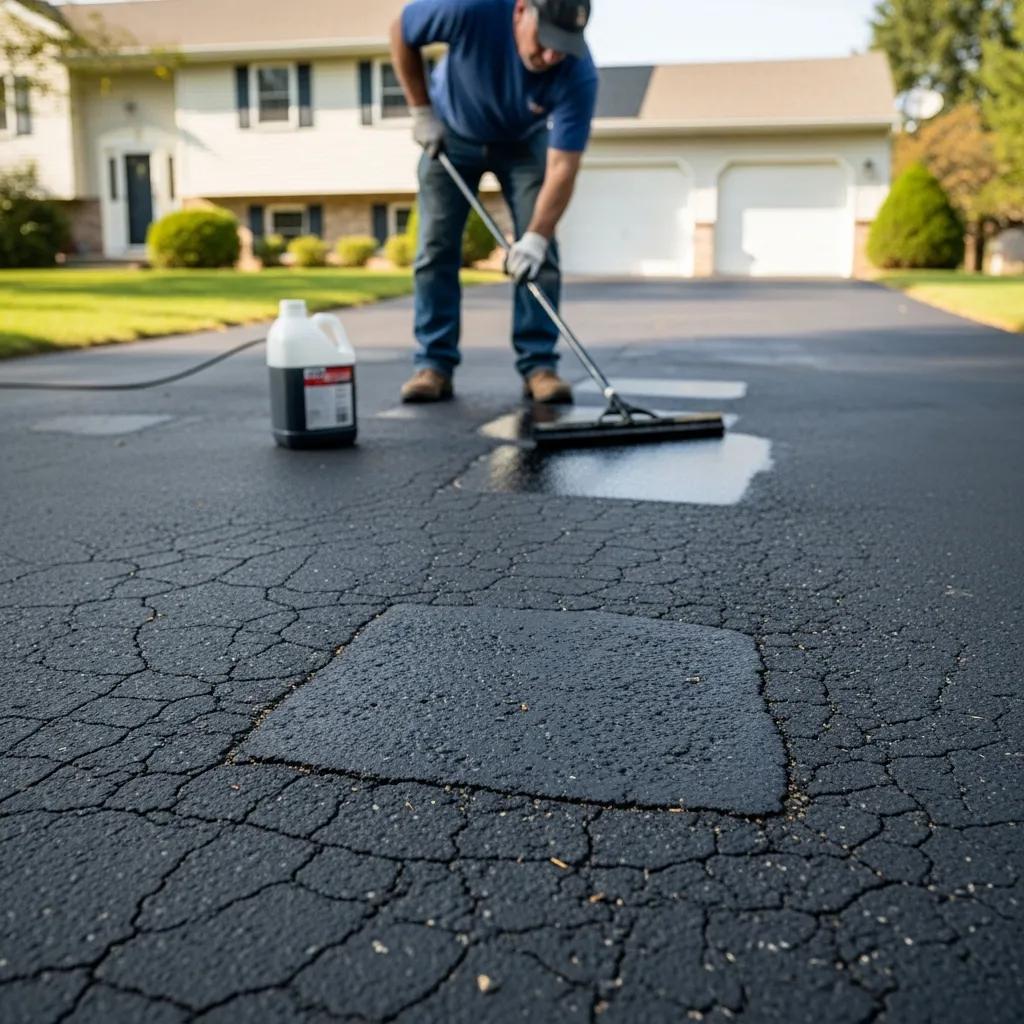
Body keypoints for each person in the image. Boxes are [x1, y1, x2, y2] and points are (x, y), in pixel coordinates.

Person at [390, 0, 598, 404]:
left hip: (523, 143)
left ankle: (539, 366)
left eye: (564, 45)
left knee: (542, 252)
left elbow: (563, 167)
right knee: (435, 248)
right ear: (521, 12)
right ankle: (433, 364)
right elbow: (401, 30)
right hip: (451, 131)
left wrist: (535, 237)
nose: (552, 55)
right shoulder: (473, 9)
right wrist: (420, 111)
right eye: (546, 41)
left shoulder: (578, 72)